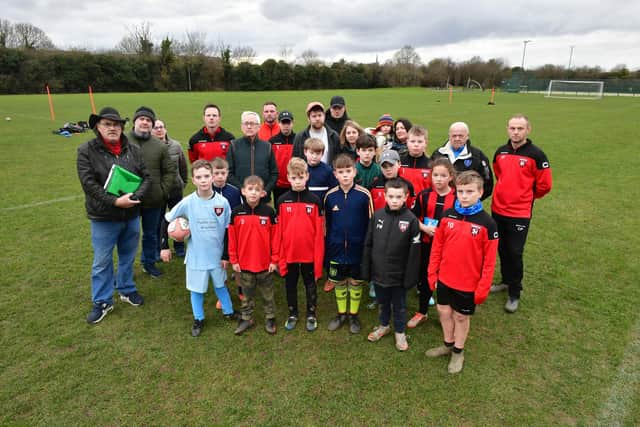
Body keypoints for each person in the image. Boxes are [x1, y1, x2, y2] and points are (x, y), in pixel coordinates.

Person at [77, 107, 150, 324]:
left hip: (131, 214)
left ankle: (126, 288)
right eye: (107, 124)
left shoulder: (134, 149)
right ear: (97, 127)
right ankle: (102, 301)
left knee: (128, 255)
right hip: (104, 217)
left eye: (116, 124)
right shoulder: (86, 150)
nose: (112, 128)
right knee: (102, 260)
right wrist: (115, 201)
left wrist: (136, 196)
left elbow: (146, 177)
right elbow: (88, 184)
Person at [426, 171, 499, 373]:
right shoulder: (447, 215)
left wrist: (483, 288)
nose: (464, 196)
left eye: (469, 191)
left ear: (480, 192)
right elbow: (437, 247)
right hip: (445, 278)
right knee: (443, 311)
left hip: (468, 283)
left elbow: (489, 261)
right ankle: (448, 344)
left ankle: (458, 351)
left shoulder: (488, 224)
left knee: (460, 316)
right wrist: (433, 274)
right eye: (460, 191)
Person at [164, 160, 237, 337]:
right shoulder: (187, 202)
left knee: (221, 285)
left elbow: (229, 229)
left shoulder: (223, 202)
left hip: (217, 256)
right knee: (196, 289)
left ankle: (229, 312)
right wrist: (164, 245)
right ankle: (199, 318)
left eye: (206, 176)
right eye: (199, 177)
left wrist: (226, 254)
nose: (203, 180)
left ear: (212, 177)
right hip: (196, 256)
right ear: (193, 180)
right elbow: (167, 220)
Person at [490, 114, 552, 313]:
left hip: (520, 213)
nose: (515, 132)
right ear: (507, 129)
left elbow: (545, 185)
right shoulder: (501, 152)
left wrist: (524, 196)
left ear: (528, 130)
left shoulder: (537, 155)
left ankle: (514, 293)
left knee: (515, 252)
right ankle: (506, 281)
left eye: (520, 128)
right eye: (512, 128)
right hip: (498, 209)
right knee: (501, 249)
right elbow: (499, 173)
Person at [362, 178, 421, 351]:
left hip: (399, 277)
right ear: (385, 196)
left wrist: (410, 278)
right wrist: (367, 269)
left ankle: (400, 333)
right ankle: (384, 326)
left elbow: (414, 253)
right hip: (379, 274)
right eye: (391, 196)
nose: (394, 200)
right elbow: (368, 243)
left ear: (406, 197)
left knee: (400, 306)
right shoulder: (377, 216)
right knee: (383, 302)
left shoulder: (411, 220)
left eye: (398, 197)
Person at [324, 154, 373, 334]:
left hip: (357, 250)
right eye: (341, 172)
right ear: (335, 174)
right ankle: (341, 314)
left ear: (354, 172)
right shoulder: (330, 196)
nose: (345, 175)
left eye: (348, 171)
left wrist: (367, 248)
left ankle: (353, 315)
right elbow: (326, 225)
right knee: (338, 282)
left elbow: (370, 223)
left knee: (355, 282)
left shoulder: (364, 195)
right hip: (336, 250)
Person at [275, 158, 325, 332]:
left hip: (309, 254)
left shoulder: (315, 201)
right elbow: (279, 232)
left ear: (307, 177)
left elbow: (319, 233)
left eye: (301, 177)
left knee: (310, 284)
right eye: (294, 177)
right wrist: (279, 255)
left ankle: (311, 313)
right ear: (288, 177)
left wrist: (318, 258)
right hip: (289, 254)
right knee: (290, 285)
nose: (297, 181)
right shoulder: (282, 201)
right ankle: (293, 313)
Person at [128, 106, 176, 278]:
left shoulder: (159, 145)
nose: (145, 122)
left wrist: (162, 191)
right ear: (135, 121)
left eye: (148, 120)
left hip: (153, 200)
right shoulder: (123, 141)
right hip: (128, 199)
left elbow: (170, 171)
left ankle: (149, 263)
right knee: (128, 236)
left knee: (150, 234)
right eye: (142, 119)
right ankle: (126, 271)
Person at [408, 158, 457, 328]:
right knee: (425, 277)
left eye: (443, 175)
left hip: (450, 248)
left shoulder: (458, 197)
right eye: (435, 175)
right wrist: (423, 228)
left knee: (448, 279)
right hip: (427, 245)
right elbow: (411, 216)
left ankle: (449, 313)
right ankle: (422, 312)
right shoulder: (424, 195)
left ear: (450, 177)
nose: (438, 179)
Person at [228, 176, 279, 335]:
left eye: (257, 190)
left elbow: (276, 238)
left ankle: (270, 317)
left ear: (263, 193)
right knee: (246, 294)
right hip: (244, 264)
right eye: (250, 189)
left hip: (265, 264)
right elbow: (232, 239)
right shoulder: (236, 213)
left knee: (267, 294)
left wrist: (274, 260)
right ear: (243, 191)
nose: (253, 193)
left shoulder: (269, 213)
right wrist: (234, 260)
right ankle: (246, 317)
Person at [431, 121, 493, 199]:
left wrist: (471, 200)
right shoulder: (438, 154)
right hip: (442, 202)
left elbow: (487, 184)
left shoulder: (477, 156)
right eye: (454, 136)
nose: (457, 139)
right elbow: (430, 179)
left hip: (466, 204)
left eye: (461, 136)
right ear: (449, 136)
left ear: (467, 136)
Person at [153, 119, 188, 258]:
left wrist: (182, 182)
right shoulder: (149, 148)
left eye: (161, 127)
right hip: (158, 192)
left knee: (178, 218)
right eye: (156, 128)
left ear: (166, 129)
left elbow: (183, 166)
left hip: (175, 189)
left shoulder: (176, 146)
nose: (159, 130)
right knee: (159, 219)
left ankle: (179, 246)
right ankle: (161, 247)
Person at [227, 111, 278, 203]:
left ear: (259, 127)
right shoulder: (234, 145)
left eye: (252, 124)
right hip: (241, 199)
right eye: (246, 124)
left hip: (263, 199)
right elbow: (229, 173)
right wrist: (242, 189)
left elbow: (274, 173)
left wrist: (266, 190)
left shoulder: (267, 147)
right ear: (242, 126)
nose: (249, 126)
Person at [292, 101, 341, 166]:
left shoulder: (333, 136)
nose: (317, 118)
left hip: (328, 174)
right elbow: (295, 160)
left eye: (320, 115)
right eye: (314, 116)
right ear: (308, 119)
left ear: (324, 116)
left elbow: (338, 159)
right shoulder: (300, 137)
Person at [269, 110, 296, 202]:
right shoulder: (272, 141)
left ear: (292, 123)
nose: (286, 126)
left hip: (295, 182)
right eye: (283, 123)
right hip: (278, 184)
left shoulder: (298, 139)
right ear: (279, 123)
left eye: (288, 123)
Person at [399, 125, 432, 195]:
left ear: (426, 143)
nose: (416, 144)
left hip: (423, 204)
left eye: (420, 142)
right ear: (407, 142)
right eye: (412, 141)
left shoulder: (431, 165)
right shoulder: (399, 162)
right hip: (402, 203)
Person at [304, 137, 338, 202]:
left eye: (318, 153)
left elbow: (333, 191)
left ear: (322, 154)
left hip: (323, 207)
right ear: (305, 152)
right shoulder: (301, 169)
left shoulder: (328, 170)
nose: (314, 156)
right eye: (311, 153)